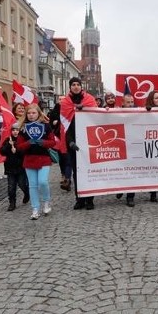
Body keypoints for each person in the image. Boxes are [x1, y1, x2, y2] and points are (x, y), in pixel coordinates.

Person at [61, 77, 98, 210]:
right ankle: (80, 198)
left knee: (89, 171)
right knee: (77, 172)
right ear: (70, 87)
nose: (76, 87)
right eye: (73, 85)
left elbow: (96, 118)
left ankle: (90, 200)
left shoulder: (89, 100)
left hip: (89, 142)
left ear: (81, 86)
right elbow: (65, 126)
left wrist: (85, 109)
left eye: (78, 84)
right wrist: (70, 142)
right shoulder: (65, 103)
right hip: (74, 144)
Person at [16, 103, 56, 220]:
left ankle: (46, 201)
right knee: (33, 185)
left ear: (39, 113)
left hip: (43, 158)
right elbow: (19, 146)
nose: (31, 115)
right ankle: (35, 208)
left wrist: (42, 142)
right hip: (29, 159)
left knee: (43, 182)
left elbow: (53, 142)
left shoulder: (46, 126)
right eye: (29, 113)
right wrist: (29, 143)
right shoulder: (23, 128)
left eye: (33, 113)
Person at [0, 123, 30, 211]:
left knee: (22, 184)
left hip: (20, 167)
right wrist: (9, 145)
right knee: (11, 187)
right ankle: (12, 203)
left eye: (17, 130)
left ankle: (26, 193)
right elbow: (2, 151)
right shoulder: (8, 140)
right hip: (10, 168)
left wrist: (17, 149)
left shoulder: (23, 140)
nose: (15, 132)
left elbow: (25, 152)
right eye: (13, 130)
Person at [146, 90, 158, 204]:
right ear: (151, 100)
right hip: (151, 145)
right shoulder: (146, 111)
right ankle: (153, 193)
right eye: (156, 98)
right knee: (153, 169)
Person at [48, 97, 70, 192]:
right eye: (60, 99)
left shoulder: (69, 109)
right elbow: (50, 124)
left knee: (68, 157)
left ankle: (67, 177)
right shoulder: (54, 111)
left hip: (68, 136)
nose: (61, 101)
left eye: (63, 99)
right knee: (62, 157)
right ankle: (63, 174)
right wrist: (53, 123)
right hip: (58, 137)